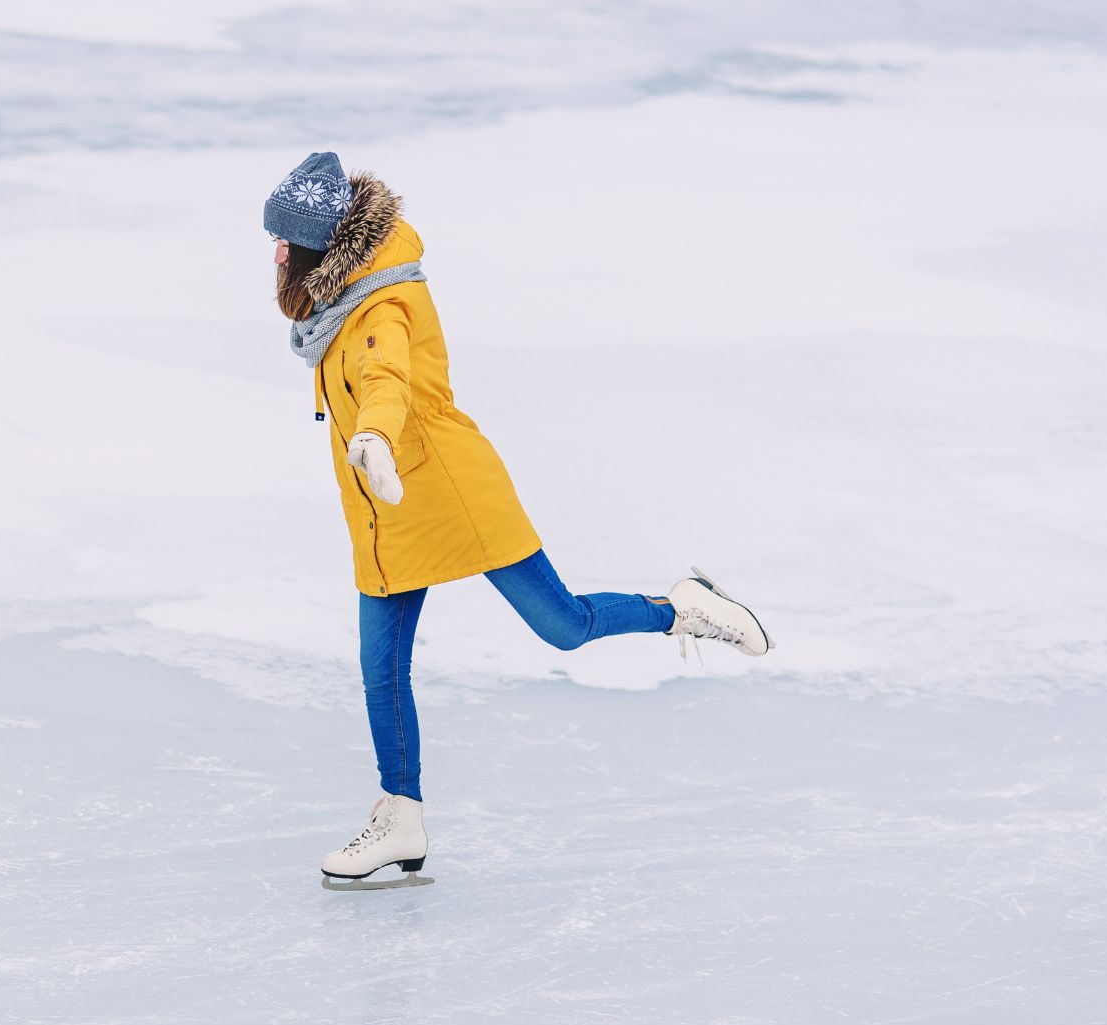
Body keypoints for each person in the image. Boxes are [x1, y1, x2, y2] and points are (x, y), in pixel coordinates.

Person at [264, 152, 775, 889]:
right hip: (388, 510)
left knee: (562, 625)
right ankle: (401, 819)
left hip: (451, 489)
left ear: (319, 244)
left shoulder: (381, 307)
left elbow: (387, 380)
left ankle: (682, 609)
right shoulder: (340, 302)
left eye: (285, 241)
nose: (277, 255)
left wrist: (373, 436)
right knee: (380, 669)